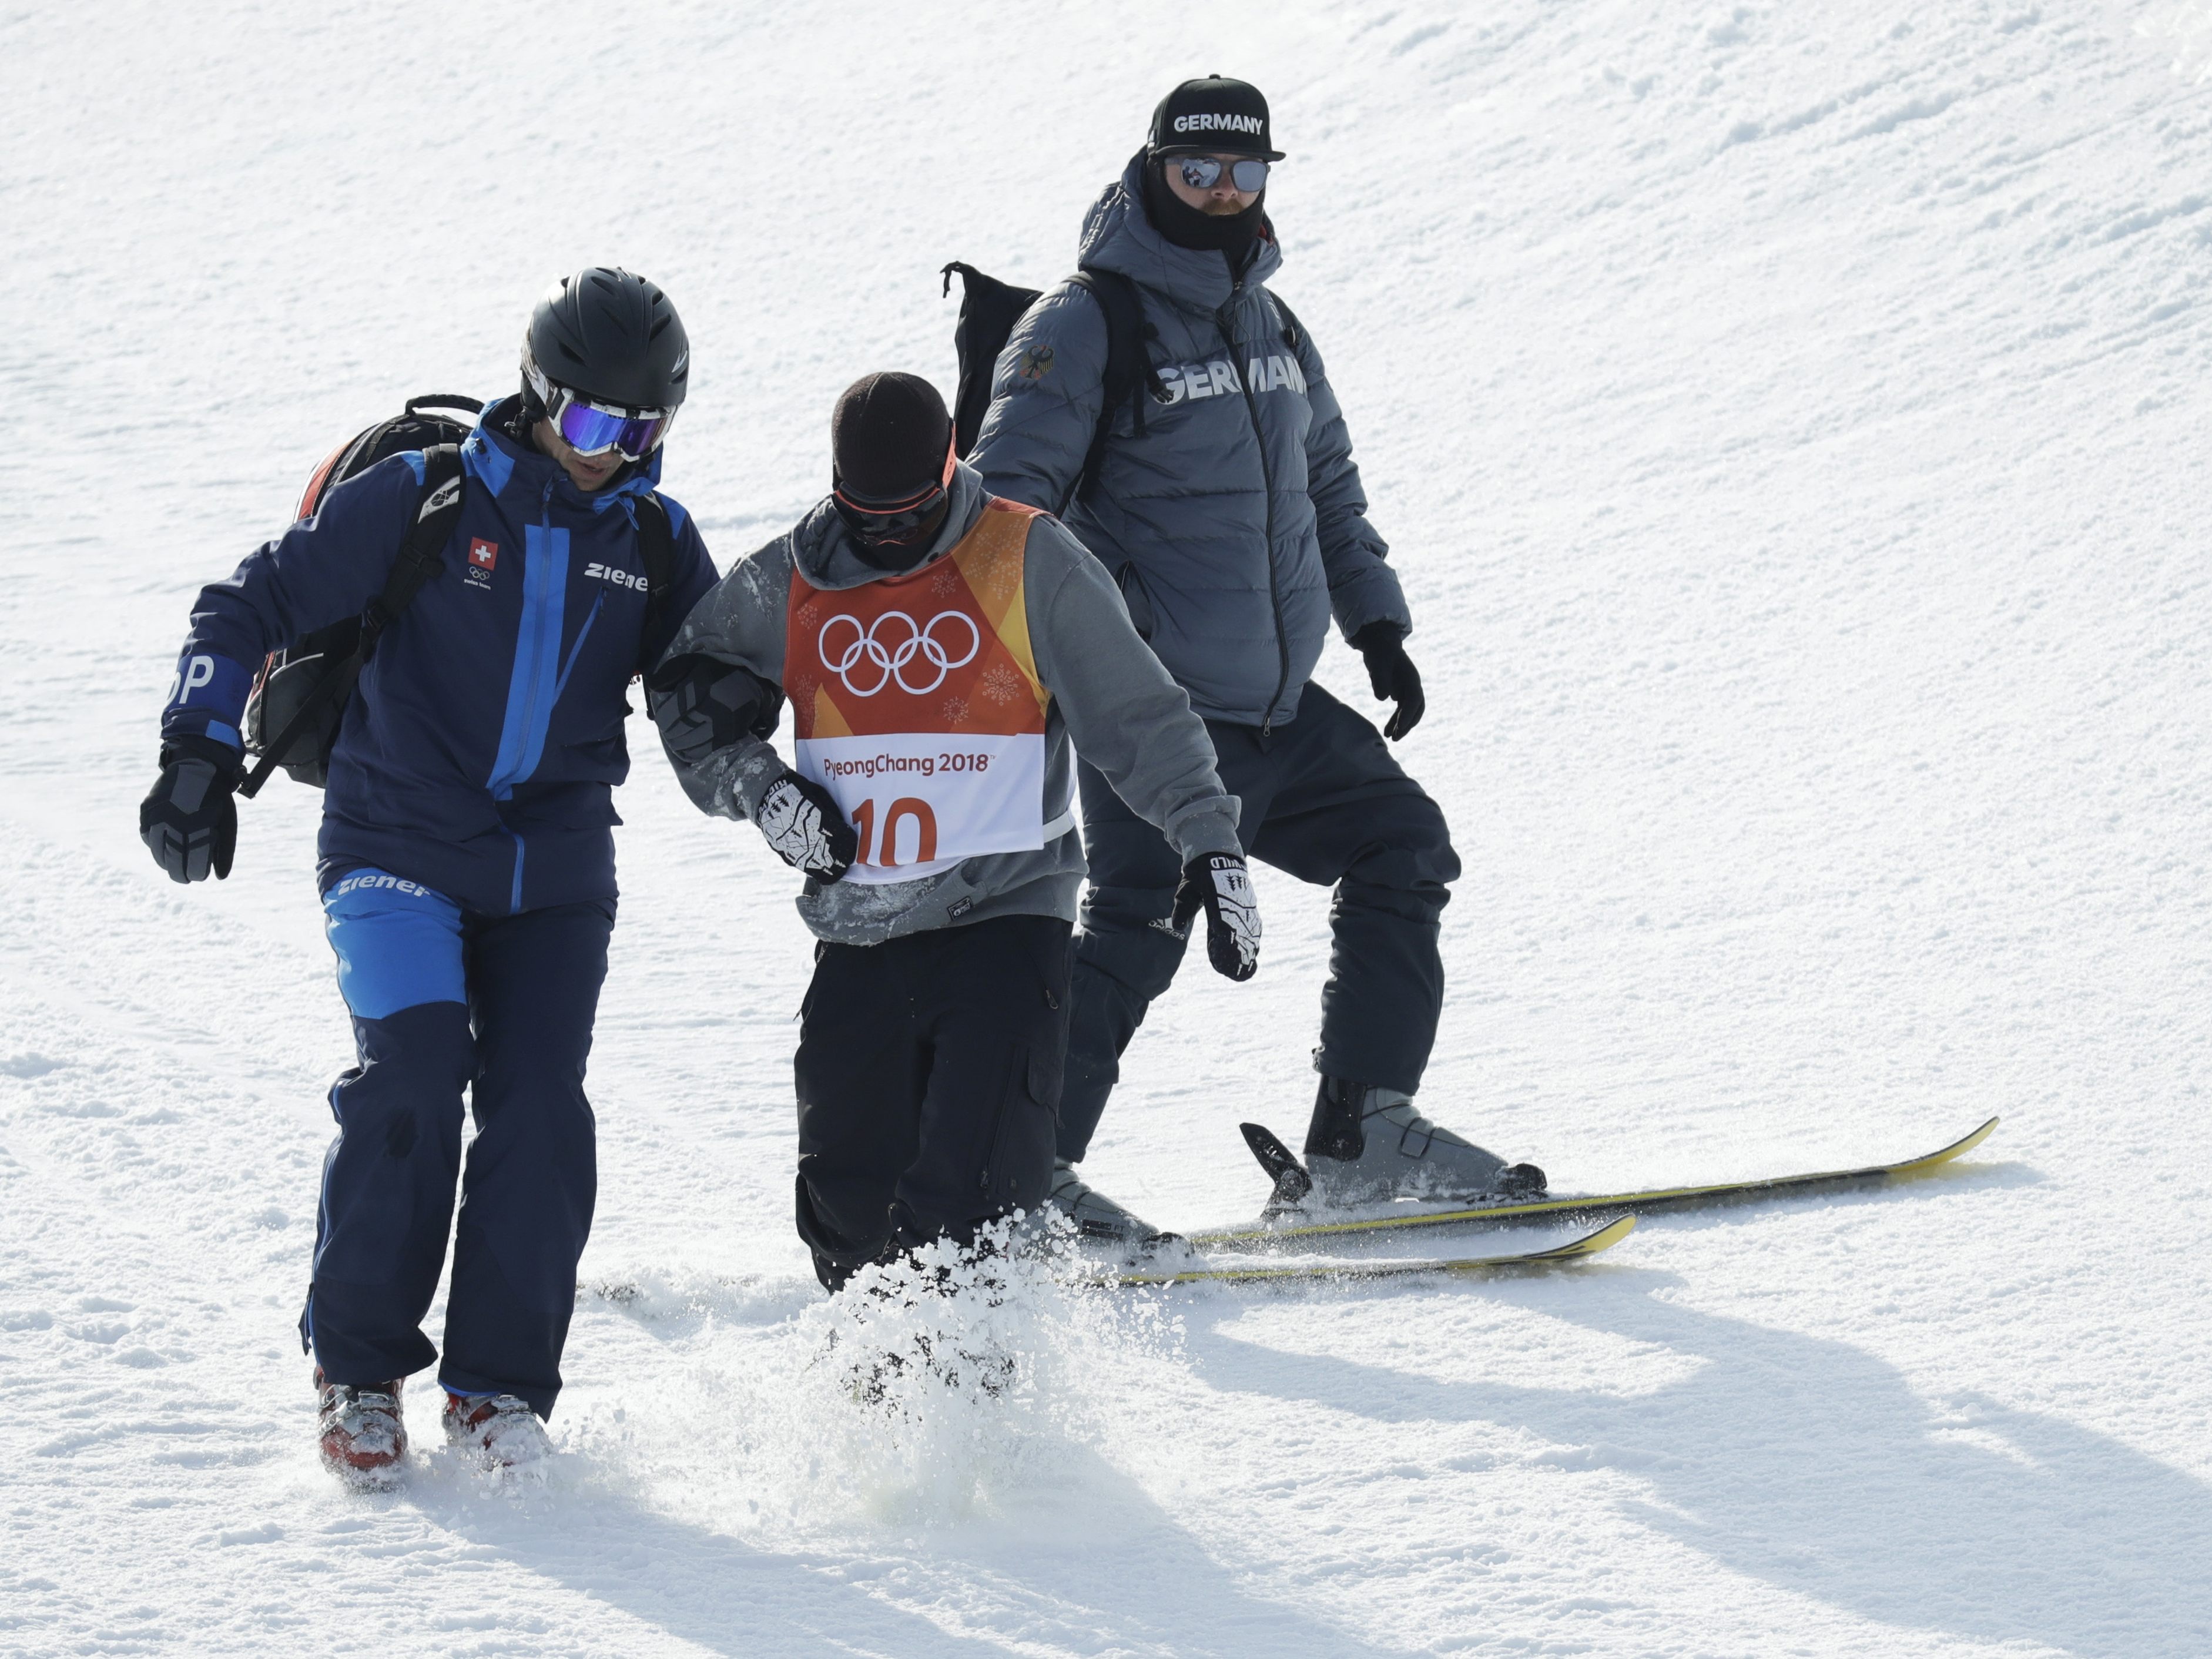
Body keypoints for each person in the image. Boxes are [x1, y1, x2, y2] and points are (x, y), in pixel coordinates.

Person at [139, 267, 718, 1486]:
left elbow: (715, 687)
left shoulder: (655, 540)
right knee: (412, 1077)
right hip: (393, 841)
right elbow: (248, 599)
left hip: (554, 871)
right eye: (599, 423)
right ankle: (357, 1367)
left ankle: (498, 1386)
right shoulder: (427, 495)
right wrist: (193, 749)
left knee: (541, 1107)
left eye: (646, 429)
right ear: (541, 393)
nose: (617, 453)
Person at [969, 76, 1542, 1239]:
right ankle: (1014, 1175)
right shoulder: (1085, 323)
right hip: (1153, 707)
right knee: (1139, 913)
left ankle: (1359, 1136)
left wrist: (1375, 622)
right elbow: (1004, 510)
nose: (1223, 195)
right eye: (1200, 171)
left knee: (1402, 845)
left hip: (1278, 704)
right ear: (1154, 168)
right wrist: (1088, 645)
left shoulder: (1271, 325)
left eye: (1246, 174)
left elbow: (1327, 483)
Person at [649, 371, 1258, 1289]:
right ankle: (881, 1408)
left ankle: (982, 1408)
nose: (889, 537)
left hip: (1005, 921)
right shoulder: (793, 577)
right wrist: (766, 793)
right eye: (867, 516)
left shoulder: (1027, 562)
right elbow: (691, 690)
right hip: (861, 933)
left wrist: (1208, 839)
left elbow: (1139, 717)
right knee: (849, 1212)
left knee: (971, 1203)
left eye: (912, 513)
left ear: (950, 469)